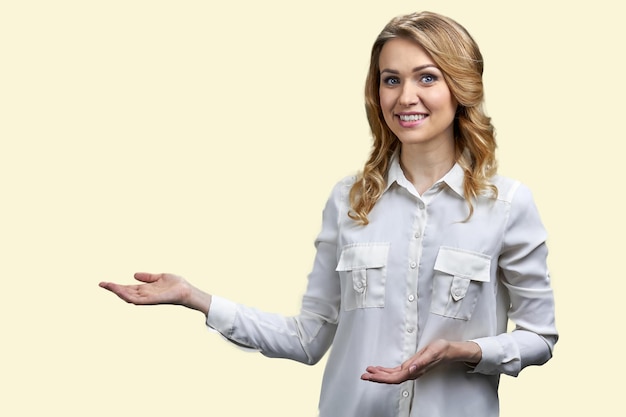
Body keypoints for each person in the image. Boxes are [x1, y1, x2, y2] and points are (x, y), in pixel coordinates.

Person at [99, 11, 558, 417]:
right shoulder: (350, 200)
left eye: (427, 77)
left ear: (460, 87)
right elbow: (308, 338)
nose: (405, 97)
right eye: (391, 79)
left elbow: (541, 337)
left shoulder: (507, 204)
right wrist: (195, 298)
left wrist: (468, 350)